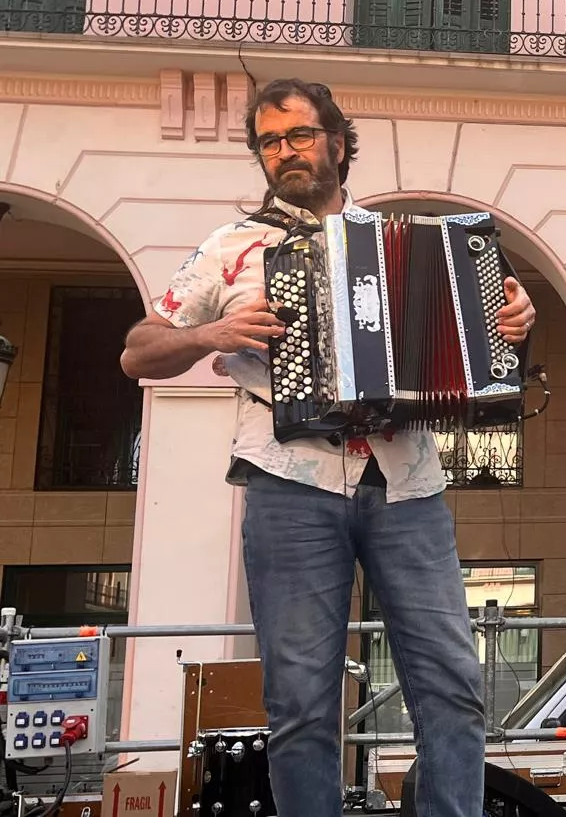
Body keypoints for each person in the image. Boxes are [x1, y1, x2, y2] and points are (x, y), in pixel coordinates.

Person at [120, 78, 537, 817]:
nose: (285, 152)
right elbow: (139, 352)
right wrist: (210, 334)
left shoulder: (413, 246)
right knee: (303, 703)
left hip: (406, 484)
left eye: (300, 136)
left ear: (337, 144)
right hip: (289, 486)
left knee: (453, 690)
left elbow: (487, 359)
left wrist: (511, 328)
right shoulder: (234, 247)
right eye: (269, 142)